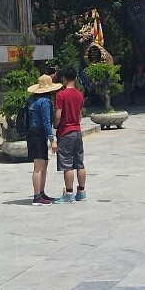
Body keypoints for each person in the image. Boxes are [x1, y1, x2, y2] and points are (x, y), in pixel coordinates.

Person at [24, 74, 60, 206]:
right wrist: (52, 140)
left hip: (32, 132)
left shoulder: (32, 99)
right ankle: (37, 196)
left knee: (43, 163)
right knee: (39, 165)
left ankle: (41, 192)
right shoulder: (44, 102)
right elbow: (46, 122)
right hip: (38, 132)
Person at [54, 66, 88, 202]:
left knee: (67, 164)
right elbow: (80, 115)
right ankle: (82, 191)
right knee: (79, 163)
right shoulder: (80, 95)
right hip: (77, 130)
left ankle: (69, 194)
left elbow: (58, 114)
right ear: (75, 78)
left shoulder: (60, 95)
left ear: (64, 78)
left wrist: (56, 125)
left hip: (65, 131)